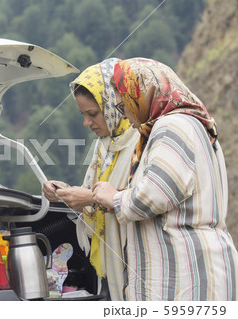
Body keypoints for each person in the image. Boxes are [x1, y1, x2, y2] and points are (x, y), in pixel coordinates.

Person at [92, 58, 238, 301]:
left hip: (187, 274)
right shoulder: (189, 124)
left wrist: (115, 198)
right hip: (190, 270)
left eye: (124, 104)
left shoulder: (172, 126)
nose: (126, 115)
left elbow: (156, 195)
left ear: (142, 92)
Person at [42, 58, 139, 300]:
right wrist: (65, 192)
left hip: (134, 259)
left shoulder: (141, 141)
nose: (87, 123)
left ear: (113, 105)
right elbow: (93, 192)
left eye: (93, 114)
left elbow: (140, 200)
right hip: (108, 262)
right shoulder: (103, 146)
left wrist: (88, 198)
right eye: (83, 115)